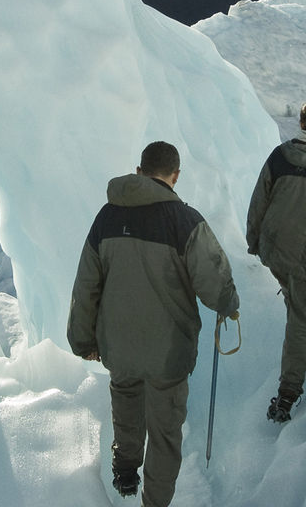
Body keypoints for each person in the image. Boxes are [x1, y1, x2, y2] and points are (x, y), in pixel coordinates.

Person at [67, 141, 239, 507]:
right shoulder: (186, 221)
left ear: (139, 170)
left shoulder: (106, 217)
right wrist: (228, 304)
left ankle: (126, 469)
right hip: (168, 353)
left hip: (119, 346)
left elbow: (86, 285)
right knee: (164, 434)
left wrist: (83, 340)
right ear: (175, 176)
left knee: (126, 404)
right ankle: (155, 501)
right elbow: (214, 278)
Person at [247, 103, 306, 423]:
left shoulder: (280, 156)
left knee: (298, 310)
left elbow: (259, 201)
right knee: (300, 320)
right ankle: (288, 395)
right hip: (301, 257)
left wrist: (254, 241)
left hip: (277, 250)